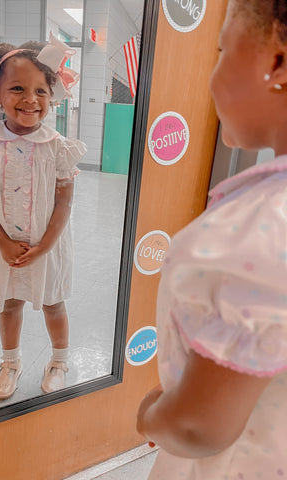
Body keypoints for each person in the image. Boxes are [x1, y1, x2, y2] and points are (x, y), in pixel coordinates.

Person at [137, 0, 287, 478]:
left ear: (277, 61)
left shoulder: (258, 233)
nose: (213, 72)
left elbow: (199, 427)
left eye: (222, 49)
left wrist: (151, 414)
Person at [0, 33, 86, 400]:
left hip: (48, 244)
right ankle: (10, 361)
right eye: (17, 88)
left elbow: (64, 203)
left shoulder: (59, 147)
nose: (30, 99)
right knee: (10, 303)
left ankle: (59, 359)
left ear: (52, 96)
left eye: (40, 90)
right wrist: (3, 243)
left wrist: (44, 247)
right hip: (2, 245)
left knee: (53, 302)